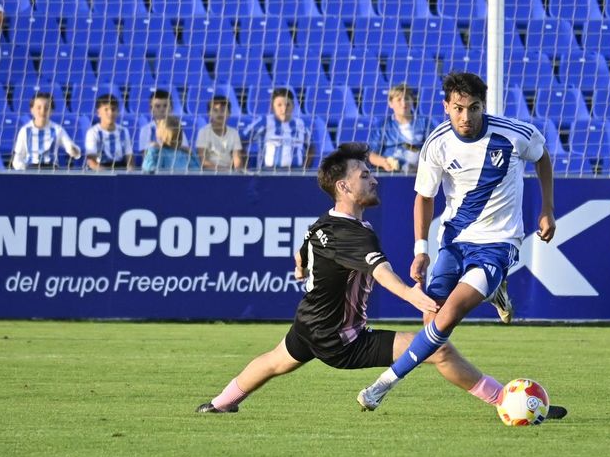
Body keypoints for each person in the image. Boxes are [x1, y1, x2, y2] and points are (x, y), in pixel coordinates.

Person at [201, 142, 535, 417]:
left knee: (275, 361)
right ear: (343, 186)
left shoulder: (322, 224)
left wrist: (300, 267)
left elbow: (302, 252)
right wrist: (412, 296)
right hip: (342, 340)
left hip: (309, 323)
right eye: (365, 175)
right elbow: (380, 271)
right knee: (439, 349)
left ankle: (220, 403)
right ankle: (507, 403)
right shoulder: (354, 234)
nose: (373, 179)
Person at [355, 71, 556, 411]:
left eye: (474, 108)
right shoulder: (437, 143)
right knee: (431, 327)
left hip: (498, 244)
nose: (466, 117)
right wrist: (421, 250)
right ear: (446, 106)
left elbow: (543, 158)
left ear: (483, 106)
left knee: (446, 317)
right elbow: (424, 197)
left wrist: (547, 209)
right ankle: (499, 398)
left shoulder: (514, 134)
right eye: (459, 108)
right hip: (453, 241)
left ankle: (381, 386)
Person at [11, 90, 82, 169]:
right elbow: (18, 157)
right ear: (32, 110)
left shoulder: (57, 129)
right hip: (30, 170)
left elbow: (70, 147)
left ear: (52, 111)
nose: (42, 111)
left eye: (46, 108)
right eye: (38, 107)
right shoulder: (24, 130)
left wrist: (73, 150)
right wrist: (23, 169)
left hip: (51, 169)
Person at [368, 83, 429, 172]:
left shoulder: (425, 122)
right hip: (391, 174)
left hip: (420, 173)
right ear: (390, 103)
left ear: (412, 101)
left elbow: (435, 149)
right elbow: (371, 154)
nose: (403, 103)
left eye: (407, 99)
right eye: (399, 100)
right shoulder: (382, 125)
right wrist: (384, 162)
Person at [249, 87, 313, 169]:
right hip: (268, 173)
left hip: (296, 173)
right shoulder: (264, 121)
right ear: (272, 107)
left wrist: (305, 167)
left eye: (288, 105)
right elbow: (242, 140)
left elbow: (311, 147)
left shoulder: (301, 124)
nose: (284, 109)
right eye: (279, 105)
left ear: (293, 106)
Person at [83, 92, 133, 170]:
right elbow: (91, 161)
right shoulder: (93, 132)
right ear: (98, 113)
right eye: (106, 109)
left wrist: (130, 171)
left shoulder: (123, 131)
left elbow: (129, 156)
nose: (110, 113)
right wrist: (108, 175)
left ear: (118, 112)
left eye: (113, 109)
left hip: (120, 168)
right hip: (100, 171)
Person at [195, 93, 243, 171]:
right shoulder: (203, 132)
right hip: (209, 173)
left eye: (223, 110)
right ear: (209, 113)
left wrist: (236, 172)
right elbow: (203, 161)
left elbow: (237, 159)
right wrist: (224, 170)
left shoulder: (234, 133)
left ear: (229, 113)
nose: (219, 113)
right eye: (215, 110)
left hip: (229, 173)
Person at [133, 87, 174, 153]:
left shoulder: (177, 129)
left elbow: (184, 153)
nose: (162, 110)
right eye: (157, 106)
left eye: (165, 106)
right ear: (151, 110)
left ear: (171, 108)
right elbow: (146, 158)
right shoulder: (146, 130)